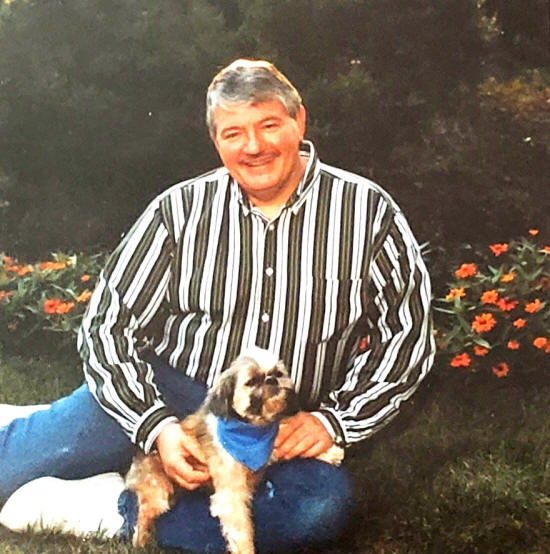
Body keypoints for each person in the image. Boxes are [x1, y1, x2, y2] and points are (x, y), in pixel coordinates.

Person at [0, 59, 435, 552]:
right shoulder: (178, 211)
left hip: (275, 423)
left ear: (299, 121)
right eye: (234, 133)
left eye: (268, 125)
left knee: (314, 510)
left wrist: (334, 422)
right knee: (10, 467)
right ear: (215, 140)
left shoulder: (368, 212)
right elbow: (107, 325)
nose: (253, 147)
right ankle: (63, 432)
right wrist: (155, 427)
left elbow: (407, 338)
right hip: (169, 393)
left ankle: (114, 507)